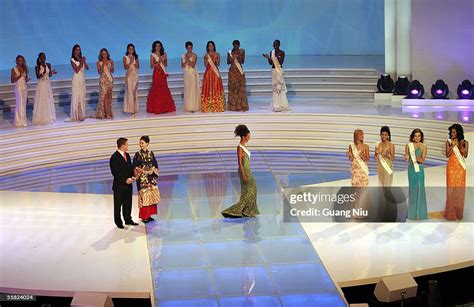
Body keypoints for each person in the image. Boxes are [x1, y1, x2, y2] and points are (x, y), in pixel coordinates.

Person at [222, 125, 259, 218]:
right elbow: (240, 163)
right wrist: (244, 175)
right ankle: (238, 210)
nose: (249, 139)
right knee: (250, 189)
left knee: (250, 190)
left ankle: (247, 210)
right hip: (244, 171)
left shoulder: (244, 147)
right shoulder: (239, 148)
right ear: (243, 137)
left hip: (247, 170)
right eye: (248, 137)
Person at [110, 137, 138, 228]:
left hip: (128, 185)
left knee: (128, 204)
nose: (128, 146)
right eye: (127, 144)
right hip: (119, 186)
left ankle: (128, 219)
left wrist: (134, 175)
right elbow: (115, 173)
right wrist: (125, 180)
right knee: (118, 205)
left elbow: (130, 168)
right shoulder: (114, 157)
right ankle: (118, 222)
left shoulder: (128, 155)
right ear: (122, 146)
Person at [133, 136, 160, 223]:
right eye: (140, 143)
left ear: (147, 143)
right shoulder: (137, 154)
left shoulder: (151, 153)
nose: (140, 144)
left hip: (150, 178)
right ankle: (144, 216)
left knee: (151, 196)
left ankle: (149, 215)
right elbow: (135, 166)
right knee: (144, 196)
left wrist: (151, 171)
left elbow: (155, 165)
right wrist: (140, 170)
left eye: (142, 143)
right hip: (142, 179)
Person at [445, 124, 469, 220]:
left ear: (459, 132)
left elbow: (465, 155)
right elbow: (447, 155)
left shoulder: (465, 142)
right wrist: (452, 146)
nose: (452, 134)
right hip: (451, 167)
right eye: (451, 132)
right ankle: (451, 213)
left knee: (459, 189)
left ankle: (458, 213)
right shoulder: (449, 142)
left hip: (461, 168)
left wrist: (462, 146)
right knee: (451, 189)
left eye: (454, 132)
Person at [146, 40, 176, 114]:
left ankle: (165, 107)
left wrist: (162, 60)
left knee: (164, 88)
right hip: (156, 73)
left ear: (161, 47)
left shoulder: (164, 54)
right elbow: (151, 66)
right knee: (156, 88)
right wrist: (157, 62)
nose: (158, 47)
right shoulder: (152, 55)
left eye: (159, 46)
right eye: (156, 46)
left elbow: (165, 65)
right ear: (154, 47)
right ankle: (156, 107)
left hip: (162, 73)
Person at [405, 128, 428, 220]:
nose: (417, 137)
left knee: (420, 189)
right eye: (415, 136)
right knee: (413, 190)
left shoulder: (424, 146)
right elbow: (406, 157)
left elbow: (423, 160)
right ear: (412, 137)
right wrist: (407, 157)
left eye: (419, 136)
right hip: (411, 169)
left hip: (419, 170)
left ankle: (421, 214)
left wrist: (415, 157)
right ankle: (412, 214)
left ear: (421, 137)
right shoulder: (408, 145)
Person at [263, 40, 290, 112]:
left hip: (279, 70)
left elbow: (281, 62)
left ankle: (282, 104)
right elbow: (270, 63)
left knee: (280, 87)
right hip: (274, 71)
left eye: (276, 44)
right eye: (274, 44)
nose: (275, 45)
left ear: (279, 45)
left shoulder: (282, 52)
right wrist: (268, 58)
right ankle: (276, 104)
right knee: (275, 88)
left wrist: (277, 57)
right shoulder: (272, 52)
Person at [201, 41, 225, 112]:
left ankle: (217, 105)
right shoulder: (206, 55)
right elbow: (205, 65)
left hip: (215, 73)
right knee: (208, 88)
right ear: (207, 47)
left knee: (216, 86)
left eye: (212, 46)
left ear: (214, 46)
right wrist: (207, 59)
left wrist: (214, 58)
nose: (210, 47)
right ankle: (207, 105)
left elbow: (218, 64)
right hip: (208, 73)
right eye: (209, 46)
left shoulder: (217, 54)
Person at [33, 52, 57, 125]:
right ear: (39, 58)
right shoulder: (37, 67)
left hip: (47, 84)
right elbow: (37, 77)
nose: (43, 58)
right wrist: (43, 72)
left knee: (48, 99)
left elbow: (49, 75)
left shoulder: (48, 65)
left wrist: (51, 72)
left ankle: (49, 116)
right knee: (41, 99)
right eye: (42, 57)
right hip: (41, 84)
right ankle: (41, 117)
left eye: (44, 57)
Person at [227, 40, 248, 111]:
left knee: (240, 87)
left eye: (237, 45)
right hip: (232, 71)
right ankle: (233, 105)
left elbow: (243, 61)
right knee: (233, 88)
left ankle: (241, 105)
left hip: (239, 71)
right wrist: (231, 58)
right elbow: (228, 62)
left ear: (239, 45)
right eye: (234, 45)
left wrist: (238, 57)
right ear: (233, 45)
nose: (236, 46)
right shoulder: (230, 52)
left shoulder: (242, 51)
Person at [70, 44, 89, 121]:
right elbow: (77, 70)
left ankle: (81, 114)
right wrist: (81, 62)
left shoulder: (81, 58)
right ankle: (77, 115)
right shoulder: (72, 60)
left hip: (82, 78)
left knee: (82, 96)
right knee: (76, 96)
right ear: (74, 51)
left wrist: (84, 61)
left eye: (79, 49)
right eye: (77, 50)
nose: (78, 51)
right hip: (76, 78)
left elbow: (87, 68)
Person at [182, 41, 201, 112]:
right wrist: (186, 60)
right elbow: (182, 65)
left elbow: (193, 65)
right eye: (188, 48)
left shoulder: (195, 55)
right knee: (188, 89)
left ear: (192, 47)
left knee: (193, 89)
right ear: (186, 48)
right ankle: (188, 106)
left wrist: (187, 60)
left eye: (190, 47)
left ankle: (194, 106)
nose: (189, 49)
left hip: (192, 73)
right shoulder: (183, 55)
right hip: (186, 74)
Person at [11, 55, 29, 127]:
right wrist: (19, 76)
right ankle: (19, 121)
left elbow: (25, 79)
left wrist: (26, 79)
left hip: (24, 87)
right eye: (19, 60)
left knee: (23, 104)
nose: (21, 61)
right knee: (19, 104)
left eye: (22, 60)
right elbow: (12, 80)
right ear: (16, 61)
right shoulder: (14, 69)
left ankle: (23, 120)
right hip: (18, 88)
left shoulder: (24, 68)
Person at [96, 48, 114, 119]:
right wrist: (103, 65)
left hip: (110, 79)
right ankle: (106, 113)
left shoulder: (111, 61)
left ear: (107, 54)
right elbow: (99, 72)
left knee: (109, 96)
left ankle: (109, 111)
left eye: (105, 53)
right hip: (103, 80)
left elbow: (112, 71)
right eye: (103, 54)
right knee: (105, 96)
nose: (104, 55)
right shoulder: (99, 62)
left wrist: (111, 66)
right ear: (101, 55)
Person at [123, 43, 140, 116]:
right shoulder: (125, 57)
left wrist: (135, 61)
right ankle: (131, 110)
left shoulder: (136, 57)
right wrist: (130, 61)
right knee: (130, 93)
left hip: (135, 75)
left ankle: (135, 109)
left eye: (132, 49)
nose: (131, 50)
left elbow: (138, 66)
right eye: (130, 49)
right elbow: (125, 67)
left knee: (134, 92)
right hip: (129, 76)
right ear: (127, 49)